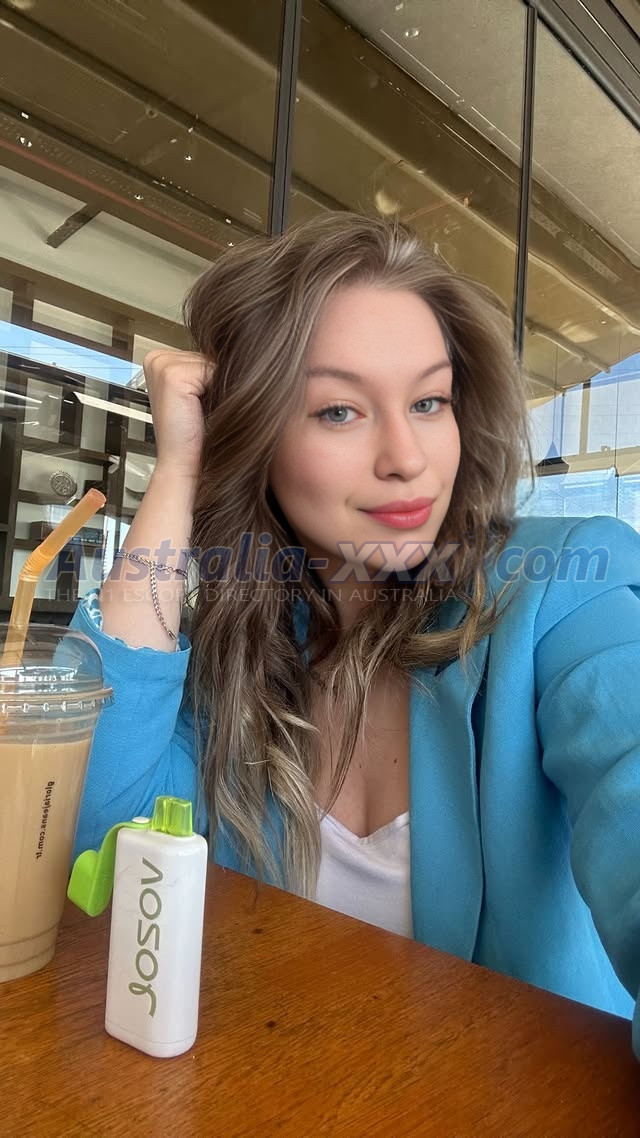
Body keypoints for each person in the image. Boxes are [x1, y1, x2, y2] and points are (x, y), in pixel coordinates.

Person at [69, 211, 640, 1056]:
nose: (406, 456)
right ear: (256, 438)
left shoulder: (561, 590)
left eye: (429, 401)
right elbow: (101, 844)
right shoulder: (241, 659)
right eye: (339, 411)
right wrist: (180, 469)